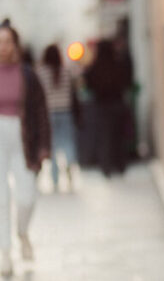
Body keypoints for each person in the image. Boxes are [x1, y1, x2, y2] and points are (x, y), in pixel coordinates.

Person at [0, 20, 51, 276]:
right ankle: (4, 253)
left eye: (7, 41)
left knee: (27, 196)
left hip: (23, 139)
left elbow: (41, 111)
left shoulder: (28, 75)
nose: (3, 47)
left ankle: (22, 232)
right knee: (1, 198)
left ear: (15, 44)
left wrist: (43, 146)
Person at [83, 39, 130, 176]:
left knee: (104, 137)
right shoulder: (118, 64)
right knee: (118, 136)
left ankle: (106, 166)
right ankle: (120, 165)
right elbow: (127, 81)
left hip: (102, 106)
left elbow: (88, 83)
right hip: (117, 104)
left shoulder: (95, 67)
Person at [36, 44, 79, 190]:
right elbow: (73, 91)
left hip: (49, 113)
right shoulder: (66, 71)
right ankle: (70, 165)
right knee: (68, 143)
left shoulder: (41, 73)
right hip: (65, 112)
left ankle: (54, 178)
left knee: (52, 146)